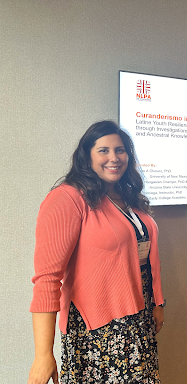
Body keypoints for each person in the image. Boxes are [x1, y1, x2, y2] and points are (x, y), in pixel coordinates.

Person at [28, 121, 165, 384]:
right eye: (104, 150)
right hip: (99, 330)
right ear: (87, 156)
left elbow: (146, 260)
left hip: (139, 316)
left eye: (120, 150)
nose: (114, 158)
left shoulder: (128, 197)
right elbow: (48, 279)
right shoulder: (67, 199)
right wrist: (43, 354)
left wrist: (157, 304)